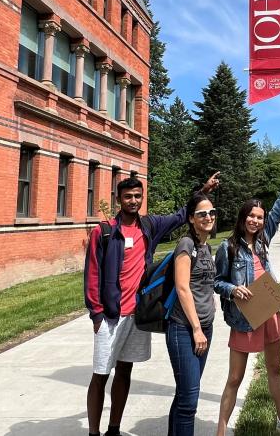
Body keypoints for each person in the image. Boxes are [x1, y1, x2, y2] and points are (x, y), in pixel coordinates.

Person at [83, 173, 219, 436]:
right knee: (101, 373)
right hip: (111, 315)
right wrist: (96, 314)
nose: (133, 201)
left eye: (137, 196)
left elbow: (183, 215)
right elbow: (92, 273)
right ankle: (93, 432)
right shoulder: (105, 232)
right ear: (119, 199)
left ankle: (114, 428)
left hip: (137, 314)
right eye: (128, 197)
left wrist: (202, 189)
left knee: (125, 370)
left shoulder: (148, 226)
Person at [213, 161, 280, 436]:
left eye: (259, 217)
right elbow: (216, 282)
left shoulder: (264, 238)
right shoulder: (227, 248)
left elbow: (279, 209)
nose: (256, 221)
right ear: (243, 218)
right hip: (244, 318)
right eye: (251, 216)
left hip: (269, 311)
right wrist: (232, 289)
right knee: (235, 377)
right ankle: (221, 429)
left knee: (275, 367)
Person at [167, 192, 220, 436]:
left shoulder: (206, 246)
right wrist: (197, 328)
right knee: (189, 400)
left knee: (185, 394)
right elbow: (182, 287)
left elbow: (206, 284)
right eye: (202, 214)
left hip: (204, 327)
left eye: (211, 212)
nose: (208, 217)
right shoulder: (186, 244)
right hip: (184, 328)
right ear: (191, 218)